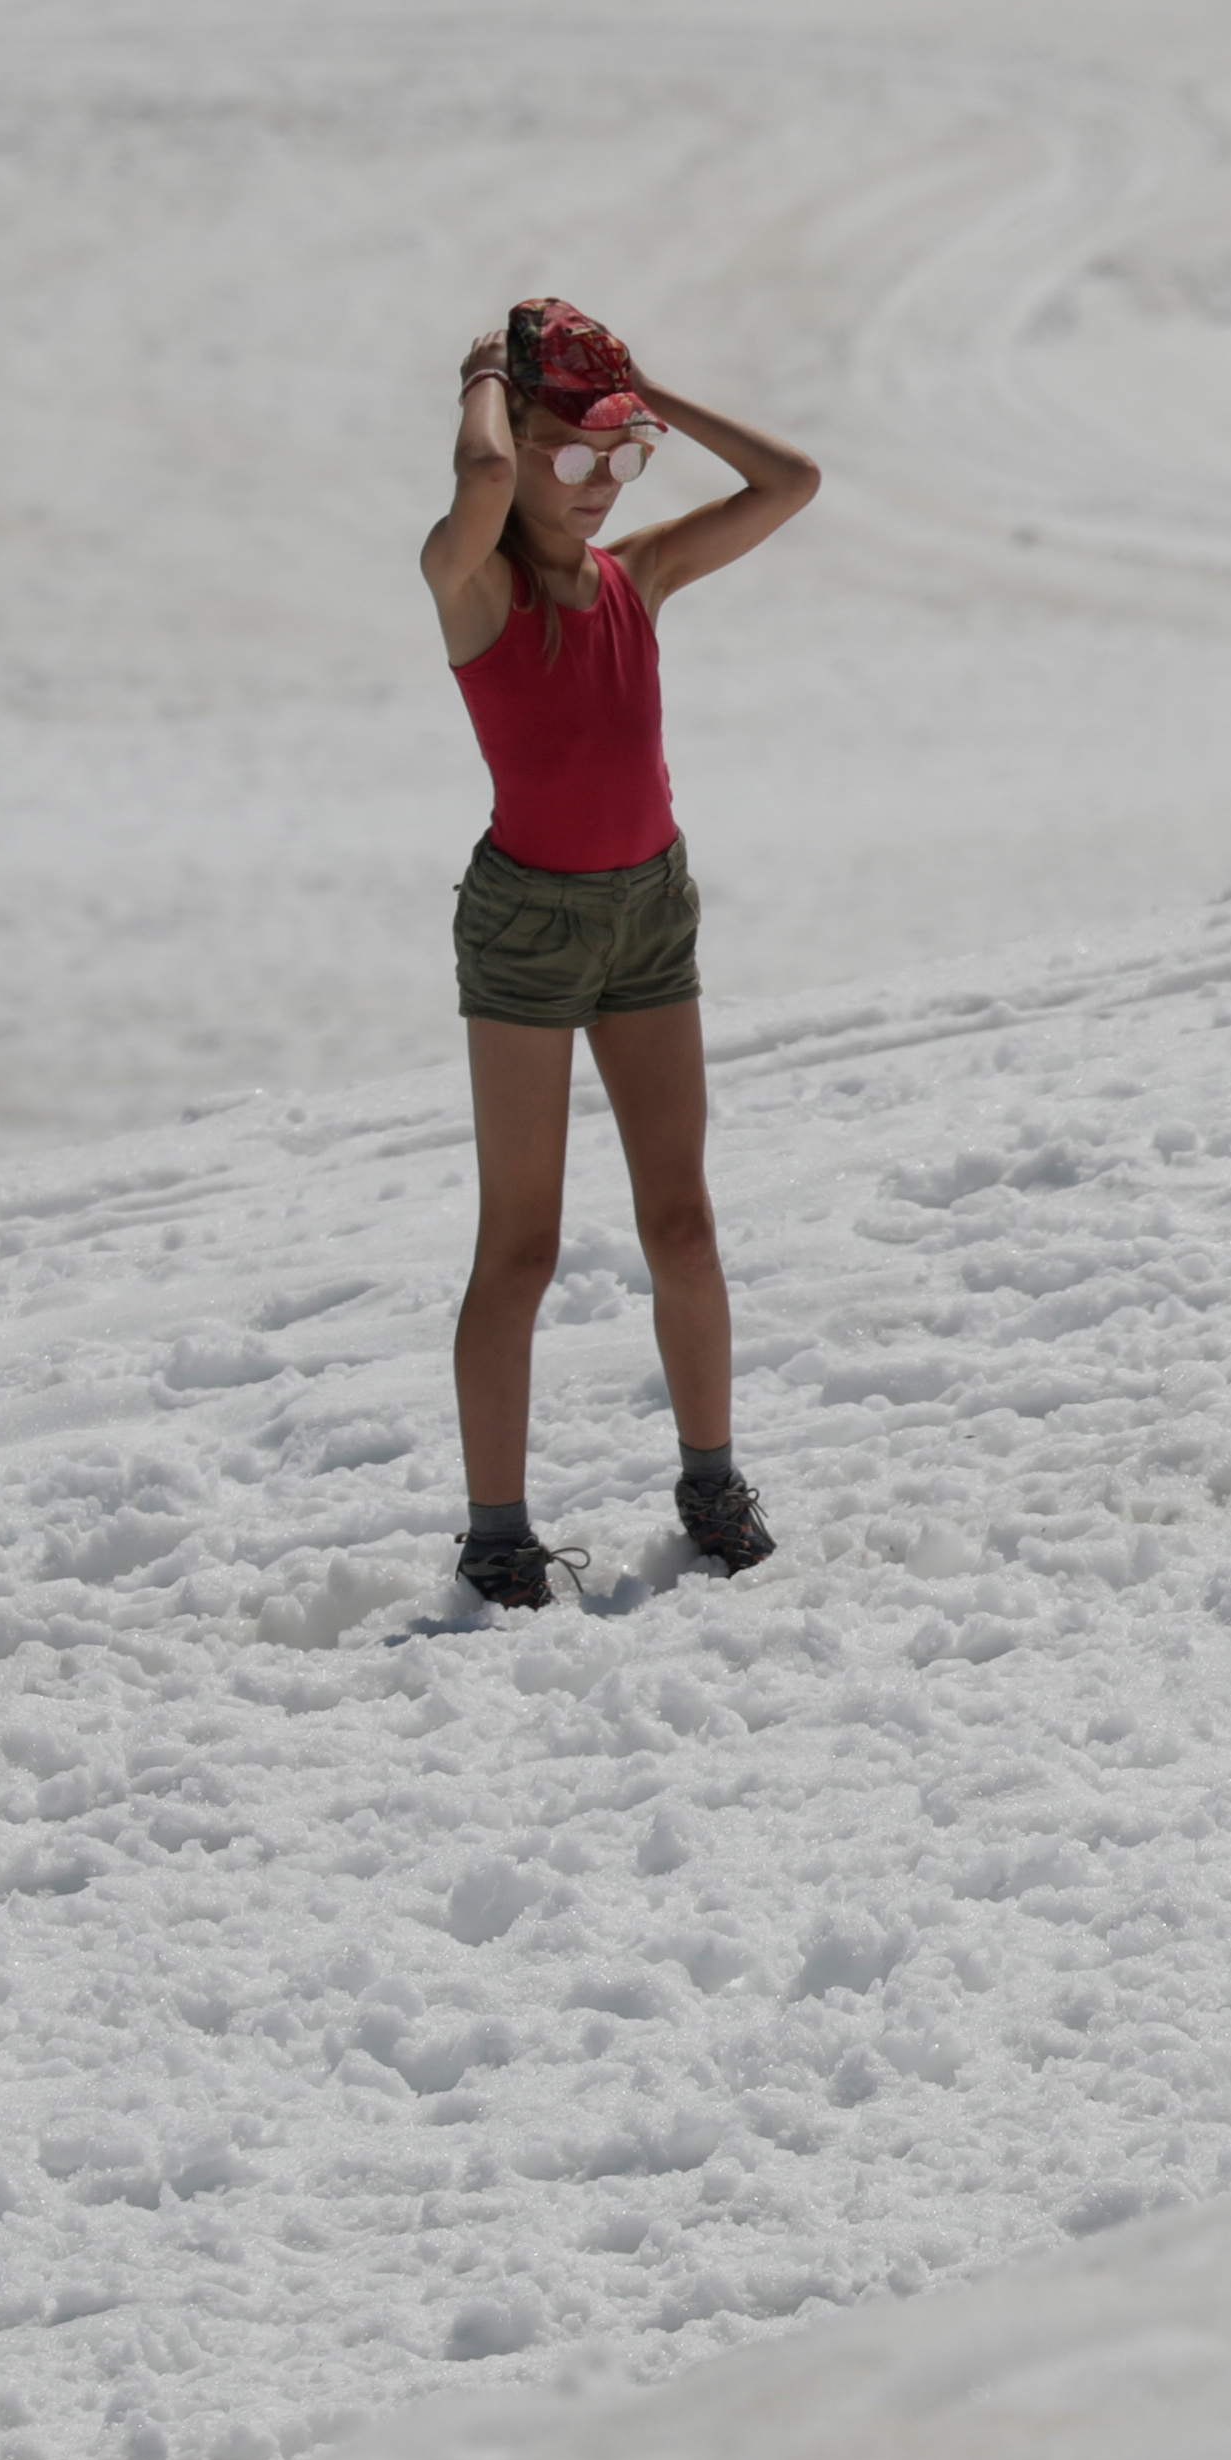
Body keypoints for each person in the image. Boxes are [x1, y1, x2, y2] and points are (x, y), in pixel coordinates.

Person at [421, 301, 819, 1608]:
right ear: (515, 443)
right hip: (528, 928)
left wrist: (653, 391)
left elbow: (791, 481)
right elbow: (481, 475)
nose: (595, 490)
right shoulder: (471, 583)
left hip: (650, 911)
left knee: (682, 1220)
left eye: (619, 458)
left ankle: (711, 1484)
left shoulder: (636, 576)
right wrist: (488, 379)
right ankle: (496, 1536)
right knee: (520, 1250)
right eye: (569, 456)